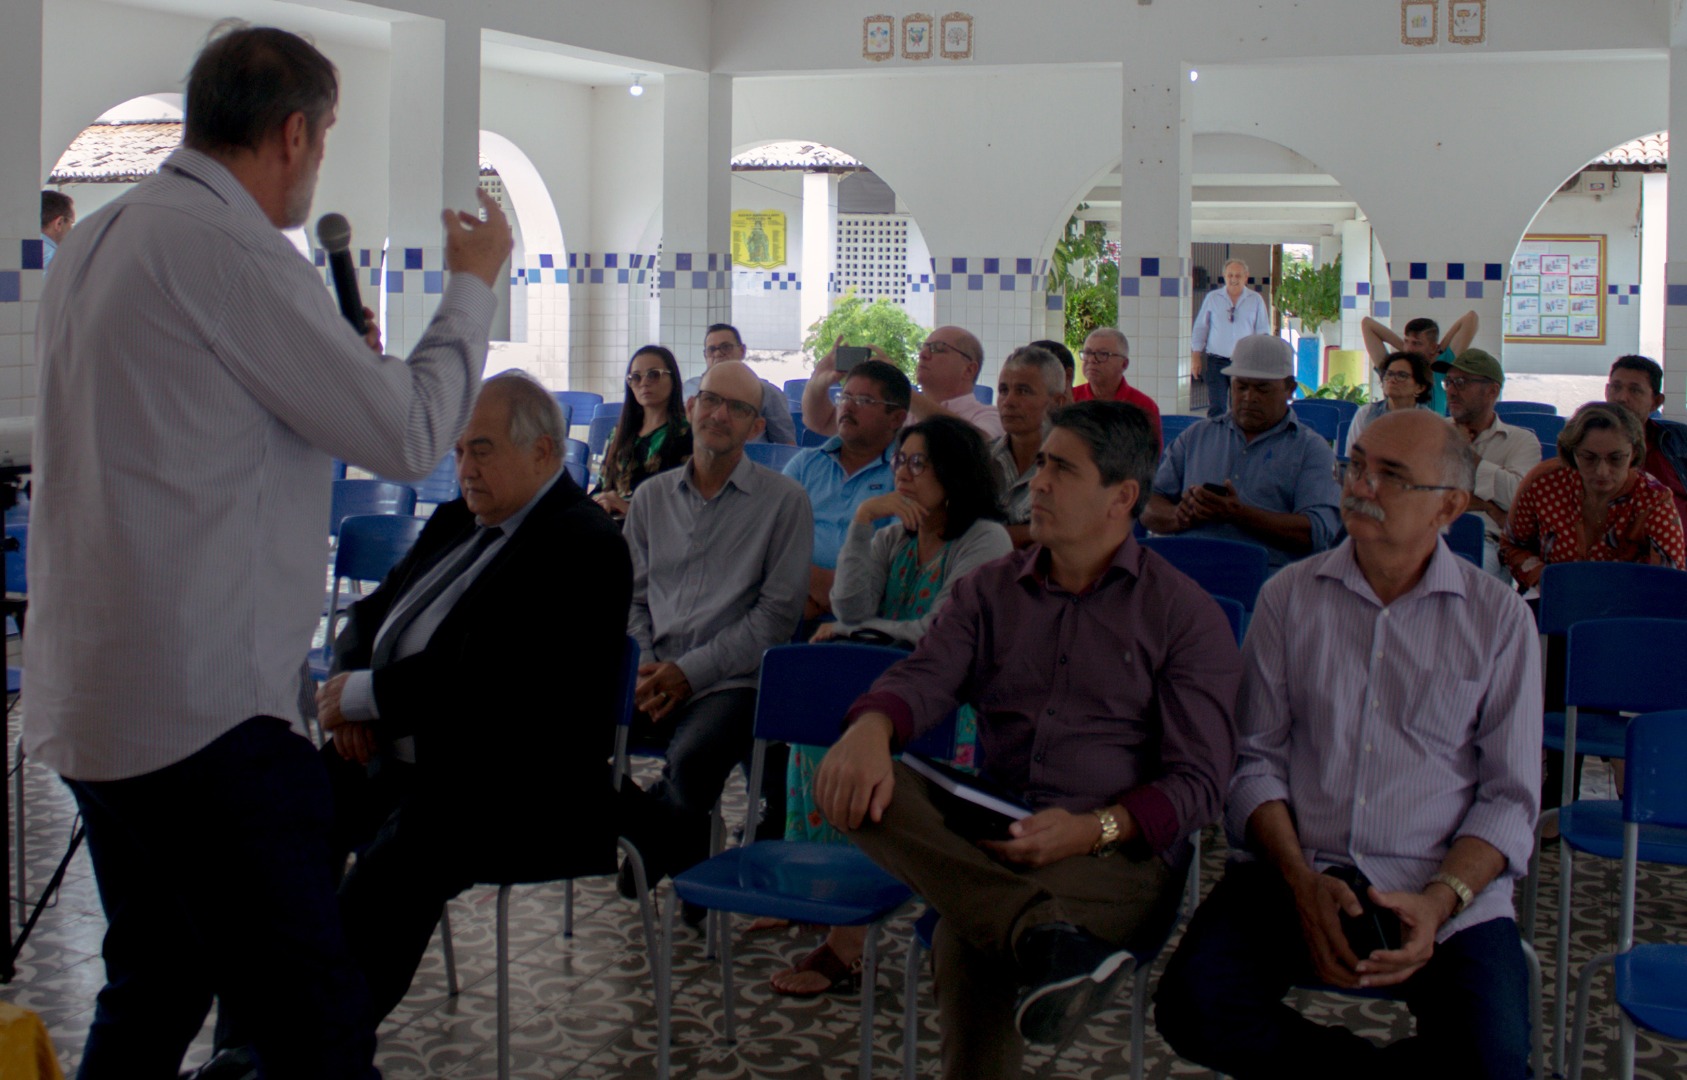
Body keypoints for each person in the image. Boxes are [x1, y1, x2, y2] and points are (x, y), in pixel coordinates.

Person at [22, 25, 512, 1079]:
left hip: (96, 699)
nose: (319, 159)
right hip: (203, 717)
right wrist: (473, 286)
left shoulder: (104, 238)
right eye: (326, 136)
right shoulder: (234, 252)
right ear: (294, 133)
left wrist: (345, 362)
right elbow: (413, 436)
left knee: (155, 982)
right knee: (315, 1025)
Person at [815, 400, 1240, 1080]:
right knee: (854, 778)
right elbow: (926, 676)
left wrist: (1091, 829)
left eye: (1062, 470)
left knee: (969, 937)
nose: (1036, 483)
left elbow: (1198, 784)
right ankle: (1051, 942)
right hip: (999, 823)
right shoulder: (991, 591)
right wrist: (872, 725)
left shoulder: (1180, 614)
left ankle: (1029, 929)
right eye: (1040, 463)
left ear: (1121, 498)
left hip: (1114, 852)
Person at [1155, 409, 1542, 1080]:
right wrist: (1301, 881)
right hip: (1297, 870)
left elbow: (1508, 797)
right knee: (1192, 1007)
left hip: (1441, 892)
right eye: (1355, 465)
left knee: (1492, 1062)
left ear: (1448, 506)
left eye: (1390, 475)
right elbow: (1254, 761)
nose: (1360, 486)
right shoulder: (1288, 599)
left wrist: (1438, 899)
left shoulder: (1497, 619)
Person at [317, 374, 632, 1026]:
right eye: (459, 451)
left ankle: (313, 1046)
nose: (464, 468)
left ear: (545, 453)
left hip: (512, 784)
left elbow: (495, 682)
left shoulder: (583, 544)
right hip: (401, 756)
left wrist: (367, 698)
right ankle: (255, 1040)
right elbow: (370, 615)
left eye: (481, 450)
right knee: (279, 833)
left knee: (389, 874)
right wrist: (352, 698)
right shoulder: (458, 518)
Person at [772, 415, 1011, 997]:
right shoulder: (892, 534)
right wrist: (861, 521)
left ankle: (845, 945)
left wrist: (861, 632)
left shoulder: (984, 540)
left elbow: (937, 633)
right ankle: (826, 897)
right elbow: (849, 606)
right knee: (812, 738)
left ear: (952, 473)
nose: (901, 473)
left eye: (916, 463)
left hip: (954, 708)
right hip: (885, 697)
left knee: (862, 756)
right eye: (899, 461)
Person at [619, 359, 813, 891]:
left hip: (732, 681)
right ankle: (674, 844)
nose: (720, 414)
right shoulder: (651, 499)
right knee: (556, 741)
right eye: (711, 400)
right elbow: (632, 600)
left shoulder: (784, 503)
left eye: (738, 408)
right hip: (650, 672)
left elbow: (775, 619)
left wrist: (688, 672)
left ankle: (651, 845)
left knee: (693, 763)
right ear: (691, 407)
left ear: (756, 427)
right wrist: (646, 666)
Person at [1142, 334, 1342, 570]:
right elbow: (1149, 504)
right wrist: (1180, 515)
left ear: (1290, 390)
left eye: (1262, 389)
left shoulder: (1312, 450)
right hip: (1187, 575)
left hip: (1266, 583)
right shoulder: (1196, 437)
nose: (1249, 398)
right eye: (1241, 386)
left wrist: (1240, 515)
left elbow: (1317, 532)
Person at [1501, 402, 1685, 588]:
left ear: (1634, 453)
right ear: (1571, 452)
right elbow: (1512, 545)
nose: (1602, 471)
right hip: (1553, 596)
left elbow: (1671, 579)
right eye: (1588, 457)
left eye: (1616, 458)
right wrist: (1547, 580)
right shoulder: (1542, 482)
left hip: (1629, 607)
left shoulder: (1654, 500)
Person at [781, 358, 909, 621]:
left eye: (864, 401)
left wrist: (818, 588)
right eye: (844, 396)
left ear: (896, 418)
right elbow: (771, 537)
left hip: (870, 615)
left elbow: (895, 566)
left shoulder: (907, 474)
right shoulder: (805, 464)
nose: (847, 406)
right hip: (790, 599)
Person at [1436, 348, 1540, 577]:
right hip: (1428, 531)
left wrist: (1466, 454)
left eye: (1461, 382)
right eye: (1449, 382)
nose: (1451, 391)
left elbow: (1517, 499)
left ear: (1492, 391)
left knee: (1469, 574)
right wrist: (1488, 505)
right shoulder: (1434, 432)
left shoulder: (1522, 441)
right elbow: (1422, 492)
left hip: (1485, 543)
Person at [802, 326, 1003, 440]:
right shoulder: (901, 412)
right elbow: (822, 423)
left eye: (937, 348)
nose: (923, 355)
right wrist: (818, 384)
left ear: (969, 369)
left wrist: (897, 386)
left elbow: (975, 442)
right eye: (922, 347)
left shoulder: (989, 416)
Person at [591, 345, 692, 520]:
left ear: (673, 379)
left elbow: (685, 502)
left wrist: (628, 509)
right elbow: (602, 486)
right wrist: (603, 501)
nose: (644, 383)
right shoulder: (619, 432)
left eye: (654, 374)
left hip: (656, 531)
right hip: (612, 525)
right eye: (635, 377)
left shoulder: (686, 433)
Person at [991, 344, 1070, 547]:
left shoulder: (1073, 465)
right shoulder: (980, 458)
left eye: (1023, 391)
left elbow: (1068, 532)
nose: (1009, 401)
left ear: (1058, 402)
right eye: (1003, 390)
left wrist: (987, 537)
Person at [680, 322, 796, 445]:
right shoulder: (689, 388)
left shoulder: (767, 392)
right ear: (705, 355)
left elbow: (786, 446)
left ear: (742, 351)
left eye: (726, 347)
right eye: (712, 349)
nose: (718, 354)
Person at [1604, 354, 1687, 525]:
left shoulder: (1679, 441)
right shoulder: (1586, 444)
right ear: (1606, 392)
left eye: (1634, 390)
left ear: (1656, 402)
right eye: (1616, 387)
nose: (1621, 398)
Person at [1190, 258, 1271, 418]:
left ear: (1246, 277)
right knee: (1217, 406)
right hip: (1216, 361)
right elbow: (1201, 328)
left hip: (1244, 362)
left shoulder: (1255, 300)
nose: (1233, 279)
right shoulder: (1213, 298)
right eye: (1230, 275)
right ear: (1224, 276)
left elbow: (1263, 332)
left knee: (1240, 406)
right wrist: (1196, 356)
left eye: (1238, 275)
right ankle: (1216, 440)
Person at [1361, 311, 1479, 415]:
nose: (1409, 348)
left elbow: (1471, 318)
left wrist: (1439, 349)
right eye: (1406, 341)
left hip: (1432, 434)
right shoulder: (1392, 369)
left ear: (1433, 347)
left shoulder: (1440, 367)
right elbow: (1367, 324)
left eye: (1416, 344)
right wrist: (1405, 352)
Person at [1071, 328, 1163, 446]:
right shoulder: (1071, 399)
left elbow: (1151, 456)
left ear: (1124, 364)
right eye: (1088, 353)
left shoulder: (1143, 406)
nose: (1092, 360)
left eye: (1102, 354)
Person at [1347, 350, 1434, 446]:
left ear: (1420, 387)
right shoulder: (1366, 413)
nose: (1392, 380)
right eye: (1389, 374)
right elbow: (1352, 455)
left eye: (1402, 375)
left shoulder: (1430, 422)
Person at [40, 189, 73, 271]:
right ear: (59, 223)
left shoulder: (20, 251)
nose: (72, 230)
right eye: (71, 223)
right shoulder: (56, 261)